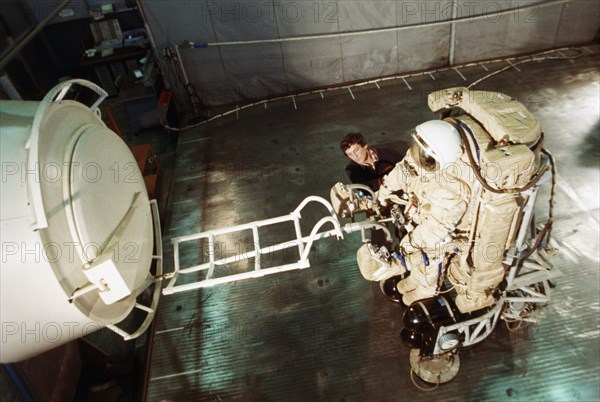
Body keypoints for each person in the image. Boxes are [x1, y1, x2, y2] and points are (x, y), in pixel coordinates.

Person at [359, 120, 474, 307]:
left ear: (438, 157)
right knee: (418, 248)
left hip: (440, 234)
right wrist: (382, 194)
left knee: (431, 252)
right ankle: (415, 278)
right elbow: (404, 170)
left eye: (424, 153)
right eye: (417, 147)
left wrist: (406, 247)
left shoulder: (452, 190)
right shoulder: (424, 157)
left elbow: (435, 231)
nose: (417, 155)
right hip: (423, 216)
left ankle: (428, 289)